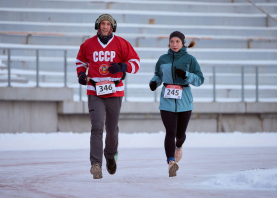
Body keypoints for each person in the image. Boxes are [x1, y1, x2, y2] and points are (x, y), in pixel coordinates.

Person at [76, 14, 140, 179]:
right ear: (98, 26)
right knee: (97, 127)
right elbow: (80, 62)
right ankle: (96, 165)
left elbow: (136, 63)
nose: (105, 27)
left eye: (107, 24)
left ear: (112, 27)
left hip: (114, 90)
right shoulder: (88, 44)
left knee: (111, 129)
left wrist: (122, 66)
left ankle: (110, 155)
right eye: (102, 24)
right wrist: (81, 74)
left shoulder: (121, 43)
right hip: (95, 90)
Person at [149, 31, 204, 177]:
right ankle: (171, 162)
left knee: (180, 135)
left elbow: (200, 79)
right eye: (172, 41)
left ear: (183, 43)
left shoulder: (190, 59)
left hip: (184, 101)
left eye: (177, 42)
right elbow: (158, 75)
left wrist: (186, 75)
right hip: (167, 101)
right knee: (170, 132)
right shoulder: (162, 59)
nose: (174, 44)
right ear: (169, 43)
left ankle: (178, 146)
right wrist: (154, 82)